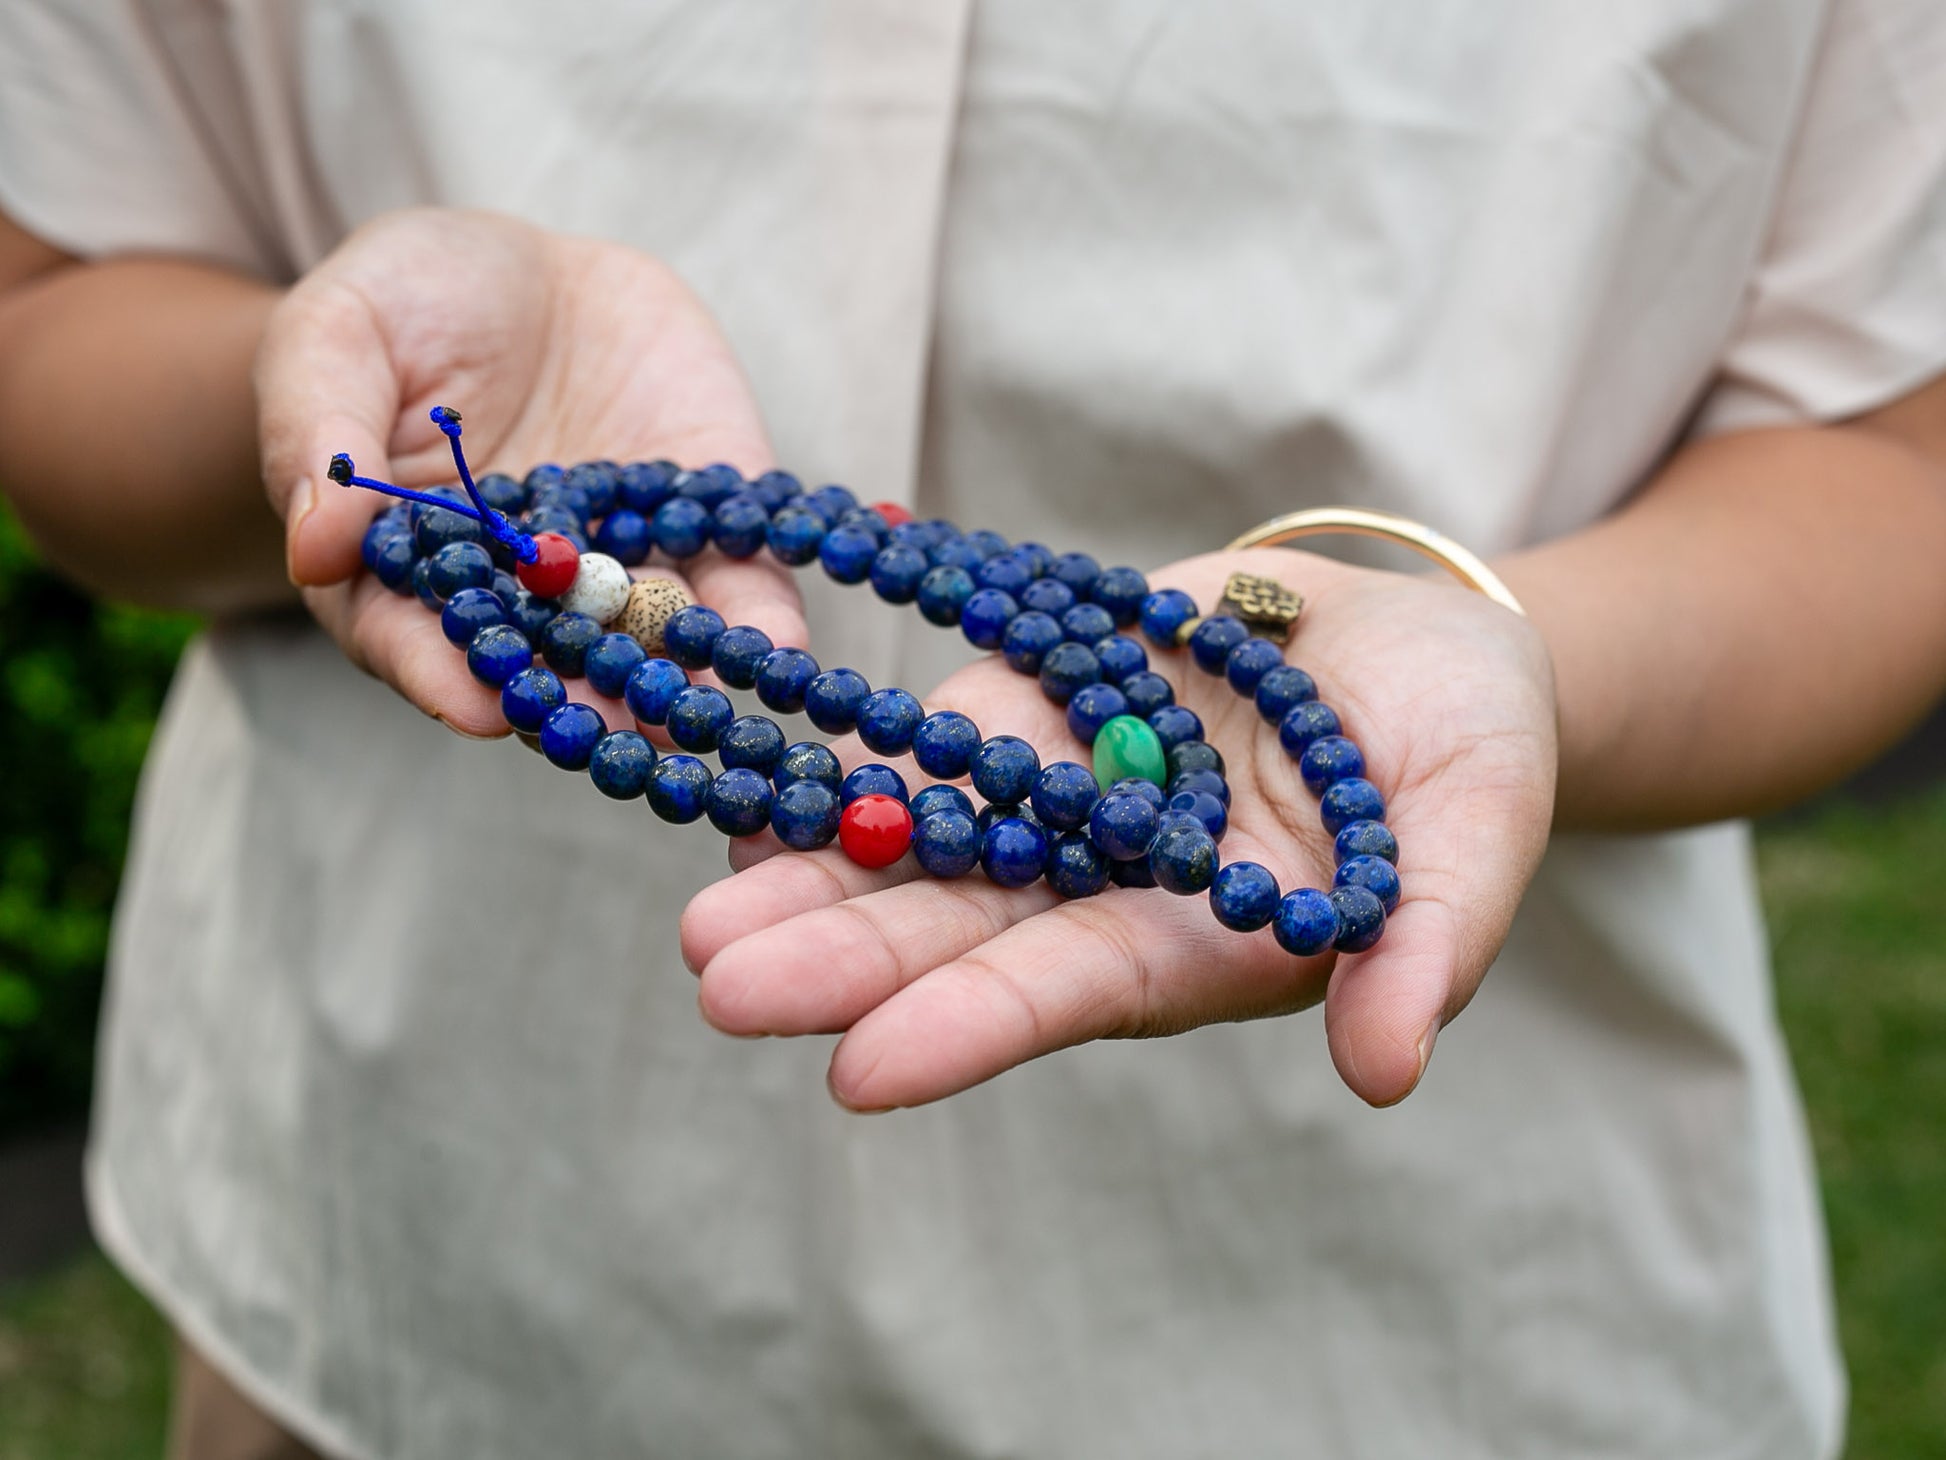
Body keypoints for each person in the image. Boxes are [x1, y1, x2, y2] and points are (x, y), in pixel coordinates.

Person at [1, 2, 1943, 1456]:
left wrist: (1515, 657)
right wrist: (318, 394)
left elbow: (1891, 463)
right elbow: (53, 298)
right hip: (412, 1267)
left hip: (1423, 1342)